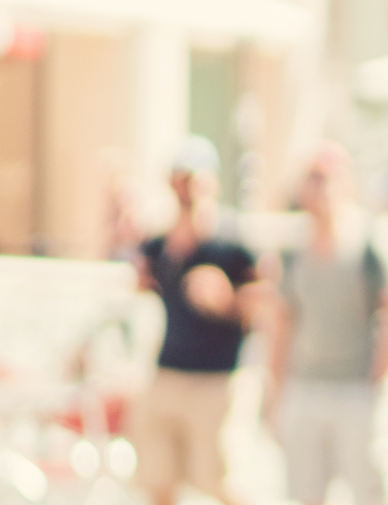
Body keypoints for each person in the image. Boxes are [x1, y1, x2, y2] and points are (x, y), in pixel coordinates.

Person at [264, 145, 388, 505]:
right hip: (306, 388)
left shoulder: (374, 240)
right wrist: (276, 391)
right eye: (312, 180)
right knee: (304, 493)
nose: (320, 190)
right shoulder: (293, 249)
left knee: (374, 493)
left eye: (326, 179)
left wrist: (381, 380)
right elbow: (282, 320)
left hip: (359, 390)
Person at [135, 135, 266, 505]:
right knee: (157, 479)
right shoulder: (159, 245)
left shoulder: (232, 242)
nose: (186, 188)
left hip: (218, 377)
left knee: (223, 482)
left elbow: (265, 302)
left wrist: (227, 301)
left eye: (193, 178)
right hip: (168, 371)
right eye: (179, 178)